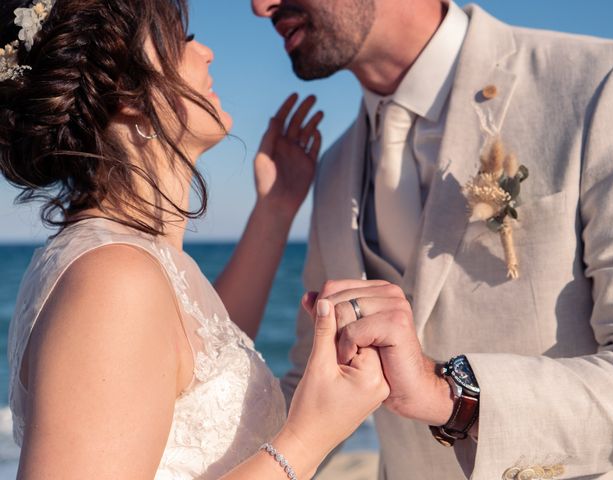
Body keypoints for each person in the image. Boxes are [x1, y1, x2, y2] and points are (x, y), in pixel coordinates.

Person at [0, 0, 391, 478]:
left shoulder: (134, 260)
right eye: (181, 41)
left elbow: (195, 355)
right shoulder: (113, 281)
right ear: (128, 95)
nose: (205, 52)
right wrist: (308, 437)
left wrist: (275, 209)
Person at [252, 0, 613, 478]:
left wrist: (450, 395)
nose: (259, 6)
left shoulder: (604, 84)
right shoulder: (331, 169)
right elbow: (310, 380)